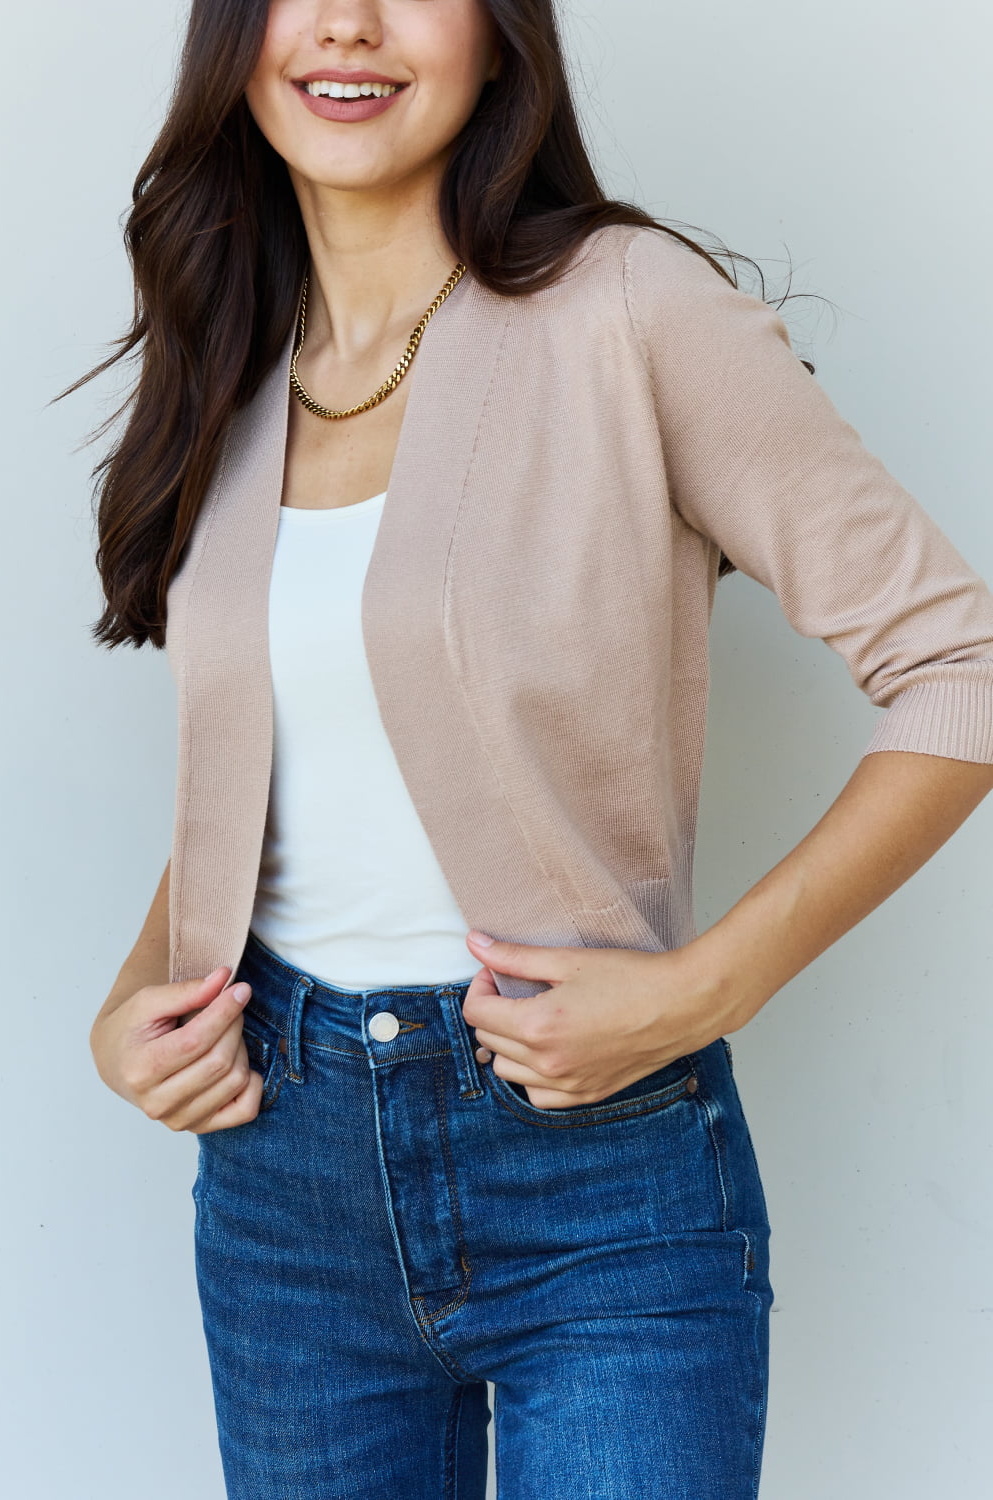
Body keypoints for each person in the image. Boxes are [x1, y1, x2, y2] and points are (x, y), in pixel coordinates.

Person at [73, 1, 993, 1496]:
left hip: (602, 1175)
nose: (349, 23)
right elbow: (281, 765)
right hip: (282, 1196)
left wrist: (704, 989)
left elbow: (965, 666)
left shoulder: (634, 311)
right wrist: (138, 1000)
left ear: (503, 36)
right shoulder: (230, 336)